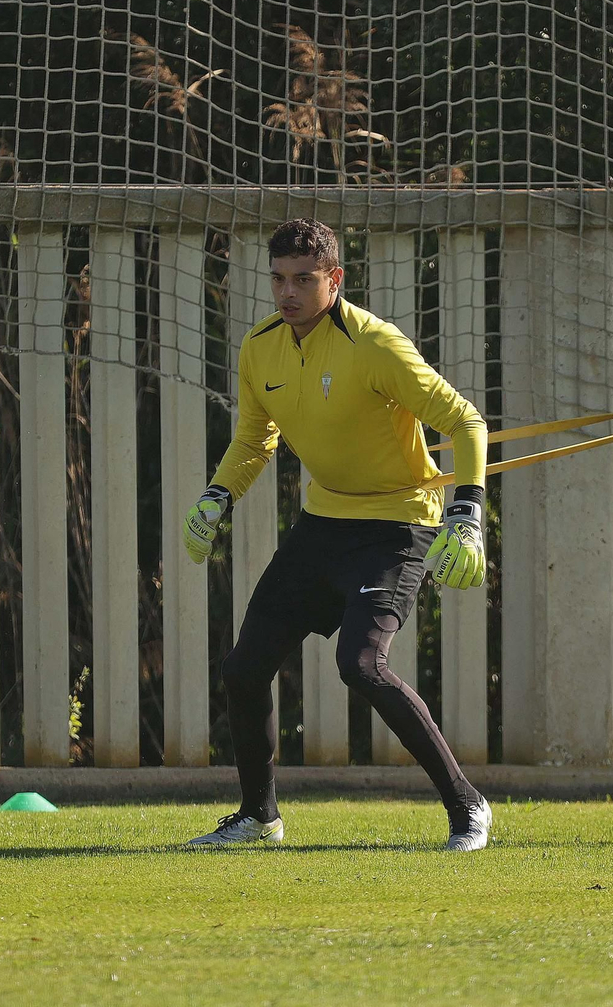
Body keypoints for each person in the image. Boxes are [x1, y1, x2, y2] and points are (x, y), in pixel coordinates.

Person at [182, 218, 493, 851]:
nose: (288, 293)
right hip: (322, 524)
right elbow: (254, 439)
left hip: (395, 526)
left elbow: (466, 422)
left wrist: (467, 514)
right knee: (244, 670)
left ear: (335, 279)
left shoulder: (377, 345)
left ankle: (468, 808)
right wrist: (218, 496)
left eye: (303, 279)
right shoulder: (260, 347)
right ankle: (258, 817)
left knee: (360, 666)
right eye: (278, 279)